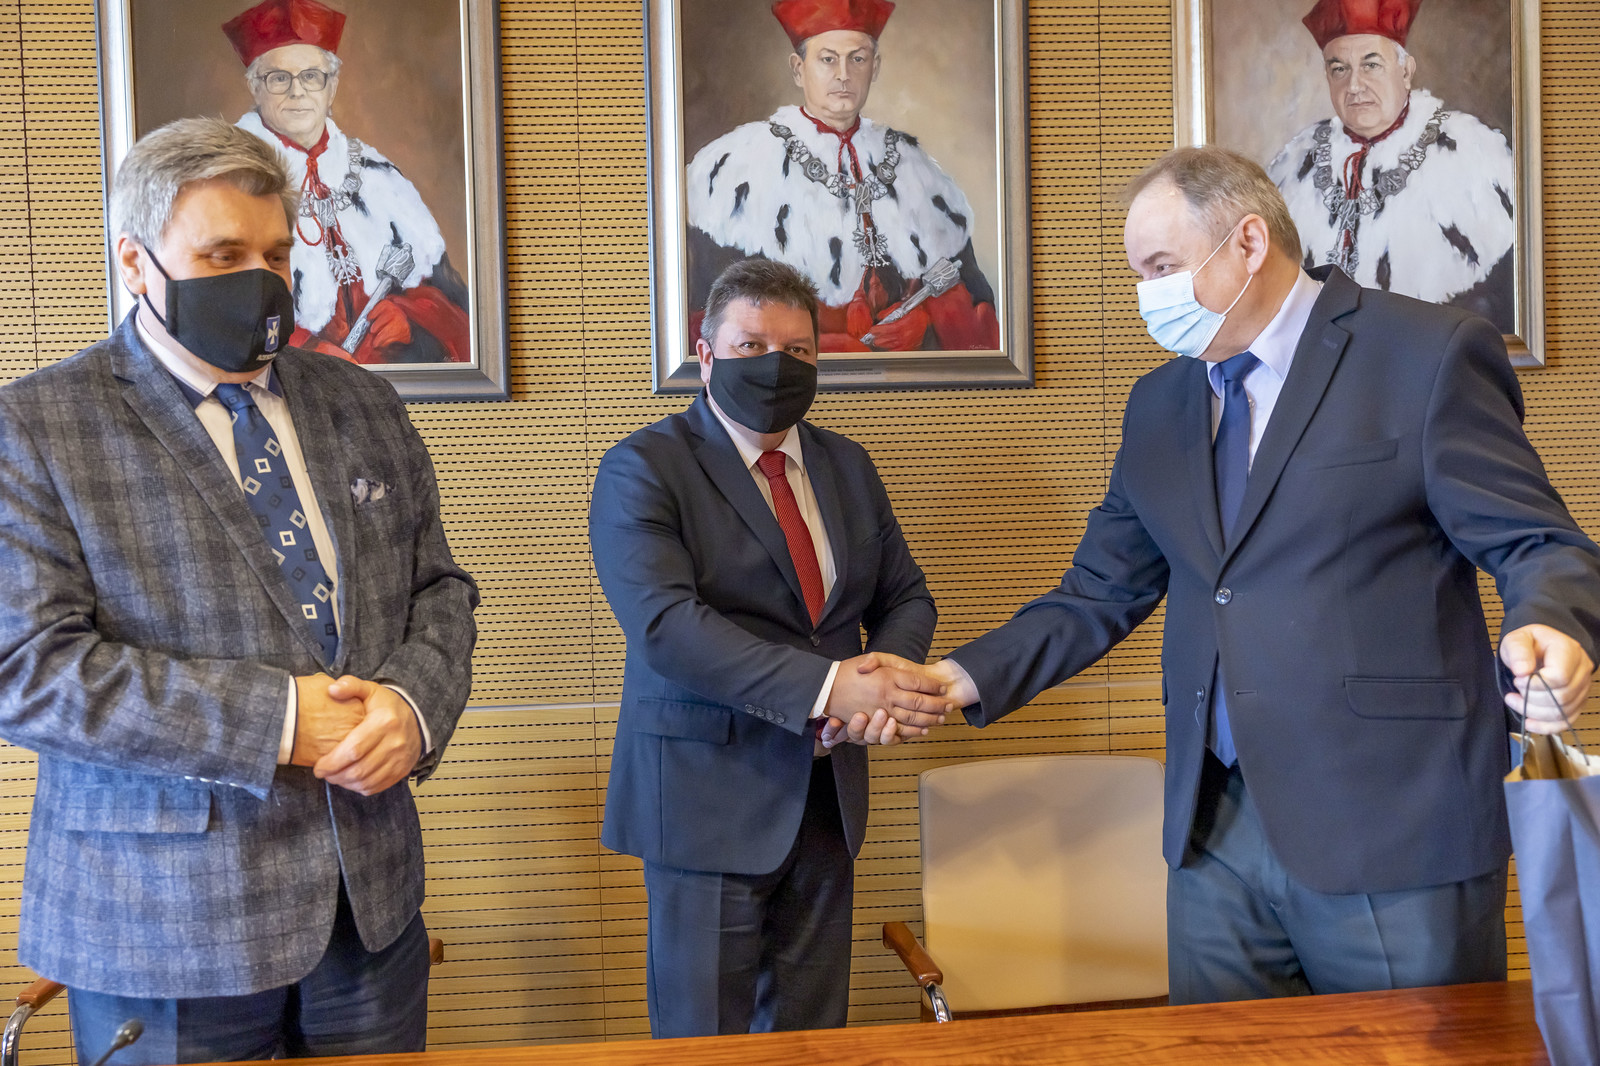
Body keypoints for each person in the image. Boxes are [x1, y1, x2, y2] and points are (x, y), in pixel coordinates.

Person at [906, 146, 1600, 1004]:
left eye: (1162, 268)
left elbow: (1539, 543)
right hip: (1213, 832)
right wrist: (955, 679)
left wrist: (1553, 624)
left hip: (1393, 825)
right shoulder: (1158, 403)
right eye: (1138, 275)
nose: (1147, 297)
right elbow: (1100, 591)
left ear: (1247, 241)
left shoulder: (1425, 354)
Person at [0, 116, 479, 1061]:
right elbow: (29, 671)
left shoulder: (362, 401)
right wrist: (280, 722)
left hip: (370, 911)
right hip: (164, 927)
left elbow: (439, 590)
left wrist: (414, 706)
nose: (260, 280)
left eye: (275, 254)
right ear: (136, 263)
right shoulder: (34, 427)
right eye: (222, 255)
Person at [589, 259, 951, 1036]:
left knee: (813, 1038)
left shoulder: (847, 465)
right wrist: (831, 689)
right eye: (751, 346)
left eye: (798, 350)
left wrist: (880, 683)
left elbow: (906, 597)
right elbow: (665, 626)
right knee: (703, 1046)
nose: (775, 366)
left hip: (826, 800)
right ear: (706, 353)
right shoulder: (643, 467)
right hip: (704, 806)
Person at [685, 0, 1000, 353]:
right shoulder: (733, 169)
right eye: (828, 59)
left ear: (875, 67)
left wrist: (924, 323)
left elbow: (972, 298)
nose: (844, 75)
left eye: (858, 59)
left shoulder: (916, 168)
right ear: (798, 69)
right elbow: (709, 314)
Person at [223, 0, 472, 364]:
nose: (297, 92)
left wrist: (408, 319)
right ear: (254, 87)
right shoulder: (225, 181)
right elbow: (221, 310)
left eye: (311, 76)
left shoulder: (380, 177)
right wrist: (308, 355)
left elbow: (457, 311)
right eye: (278, 78)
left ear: (333, 86)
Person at [1266, 0, 1516, 329]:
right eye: (1339, 69)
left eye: (1371, 65)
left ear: (1406, 72)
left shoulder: (1471, 153)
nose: (1354, 86)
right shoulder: (1296, 162)